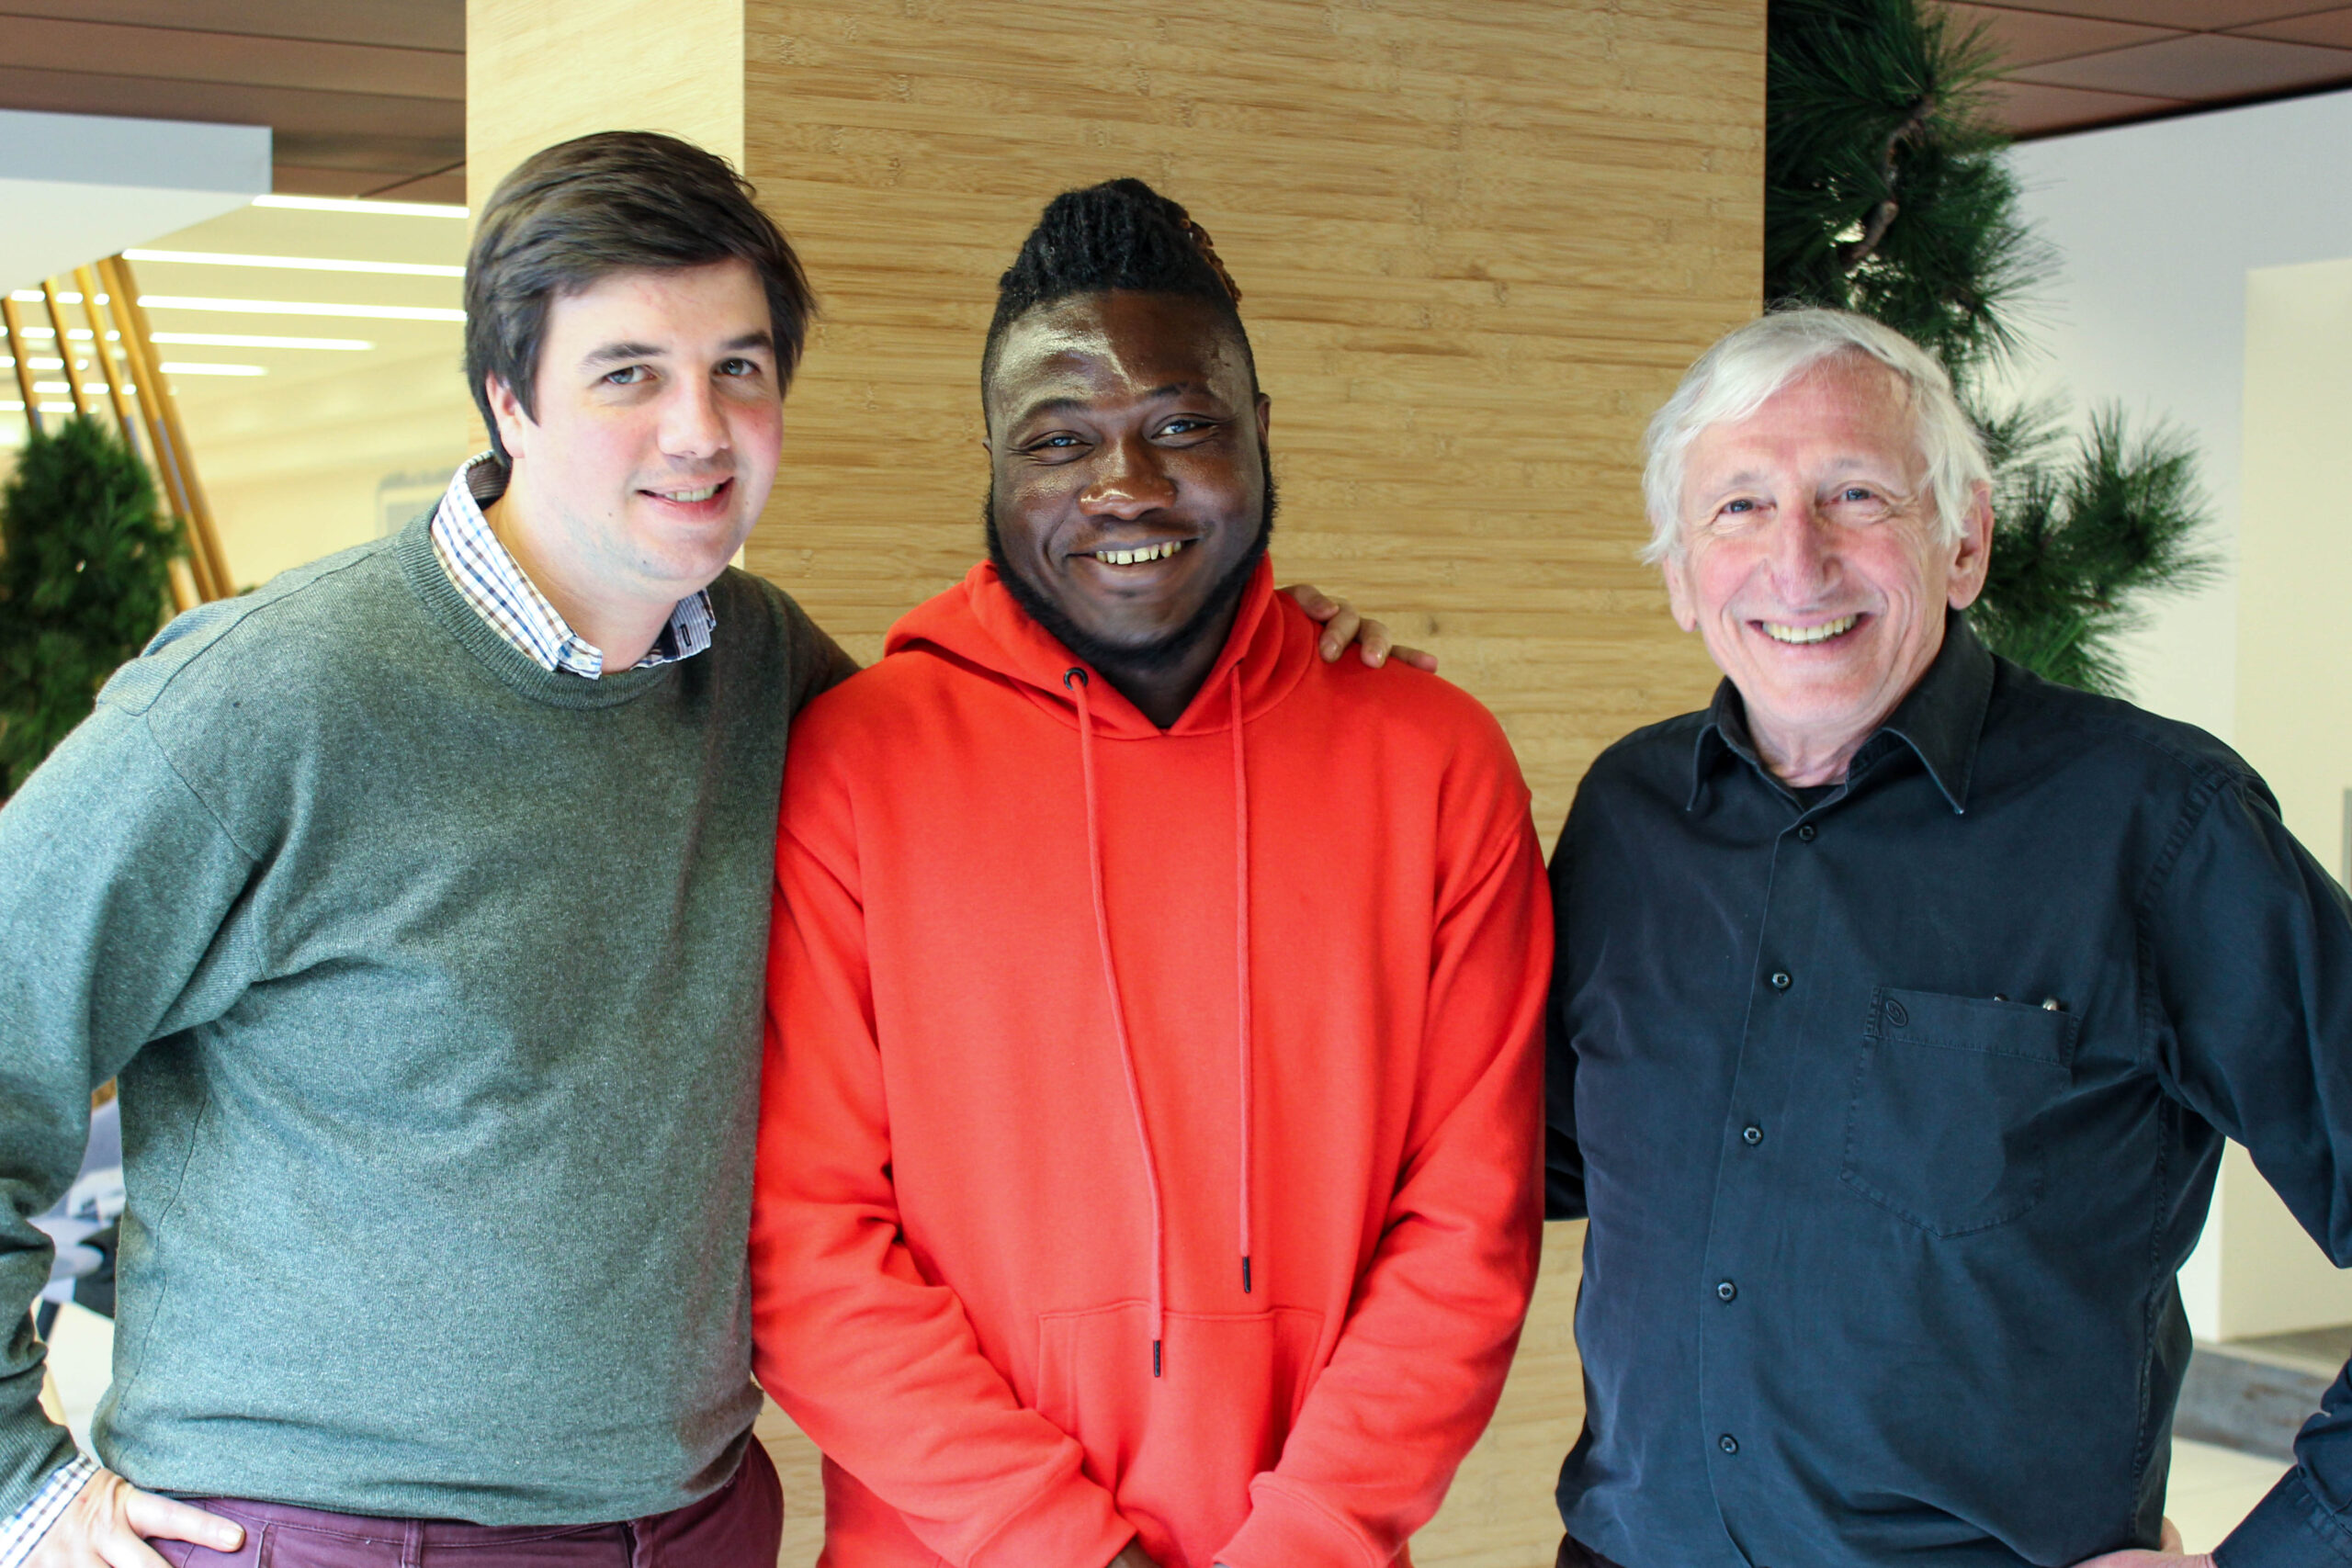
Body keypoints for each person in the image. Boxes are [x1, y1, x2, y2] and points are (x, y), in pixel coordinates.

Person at [0, 135, 1399, 1568]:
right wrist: (22, 1485)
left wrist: (1242, 635)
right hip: (338, 1533)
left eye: (739, 368)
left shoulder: (766, 669)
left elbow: (1029, 743)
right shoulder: (266, 698)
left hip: (699, 1525)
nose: (700, 431)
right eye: (629, 375)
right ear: (507, 399)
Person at [748, 177, 1551, 1568]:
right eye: (1059, 441)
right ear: (994, 465)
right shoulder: (855, 765)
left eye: (1181, 424)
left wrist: (1305, 1542)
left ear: (1259, 435)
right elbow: (805, 1241)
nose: (1124, 485)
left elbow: (1469, 1228)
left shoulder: (1434, 761)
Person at [1544, 307, 2352, 1568]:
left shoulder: (2154, 825)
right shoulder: (1630, 819)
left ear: (1964, 540)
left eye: (1854, 495)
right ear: (1678, 573)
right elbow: (1516, 1155)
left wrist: (2287, 1555)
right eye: (1739, 508)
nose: (1795, 564)